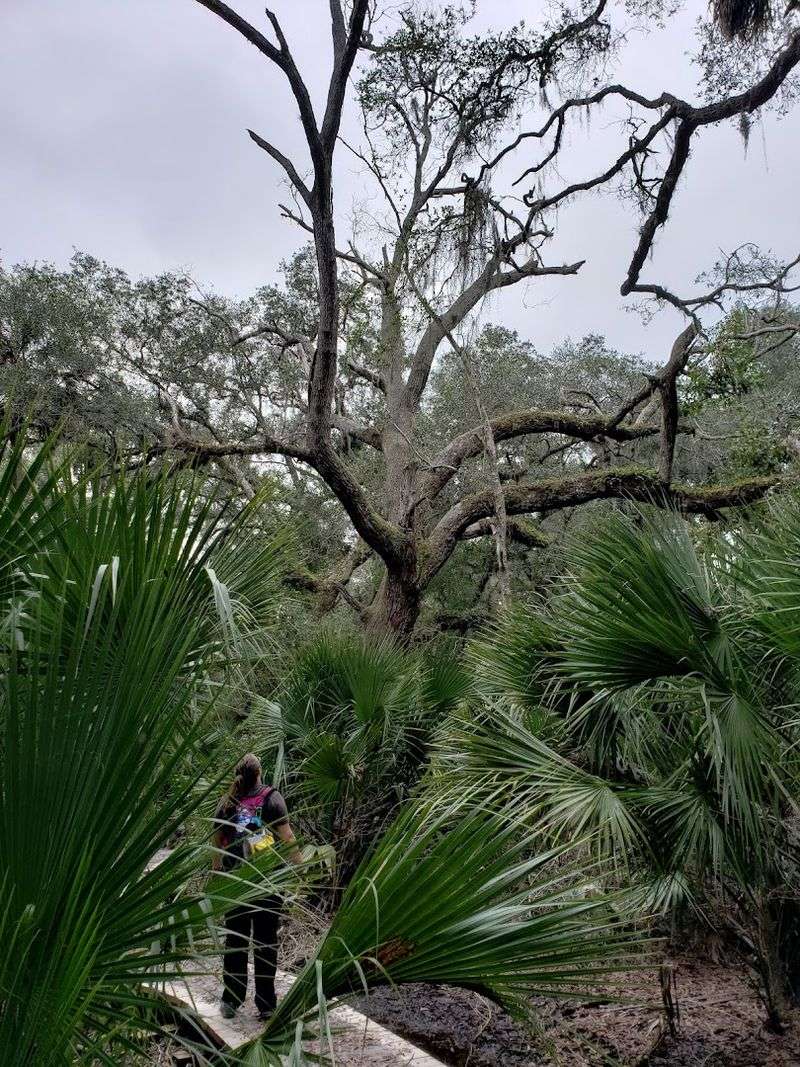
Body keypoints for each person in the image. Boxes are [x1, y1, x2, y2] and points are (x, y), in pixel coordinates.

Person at [212, 752, 298, 1021]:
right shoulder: (272, 798)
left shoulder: (227, 802)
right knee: (265, 943)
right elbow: (287, 838)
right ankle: (266, 1005)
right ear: (260, 773)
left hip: (235, 884)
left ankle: (230, 1001)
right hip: (266, 883)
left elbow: (217, 843)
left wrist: (218, 874)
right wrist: (299, 867)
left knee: (235, 941)